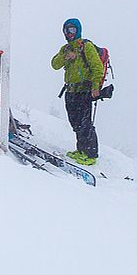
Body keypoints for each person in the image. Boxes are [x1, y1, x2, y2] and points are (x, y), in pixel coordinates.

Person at [51, 18, 104, 166]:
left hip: (85, 90)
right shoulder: (65, 49)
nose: (69, 33)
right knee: (75, 122)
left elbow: (97, 67)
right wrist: (65, 56)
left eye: (72, 30)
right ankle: (81, 150)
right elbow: (54, 64)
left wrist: (95, 87)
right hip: (70, 91)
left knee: (85, 123)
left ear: (78, 30)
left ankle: (91, 154)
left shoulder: (86, 46)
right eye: (66, 30)